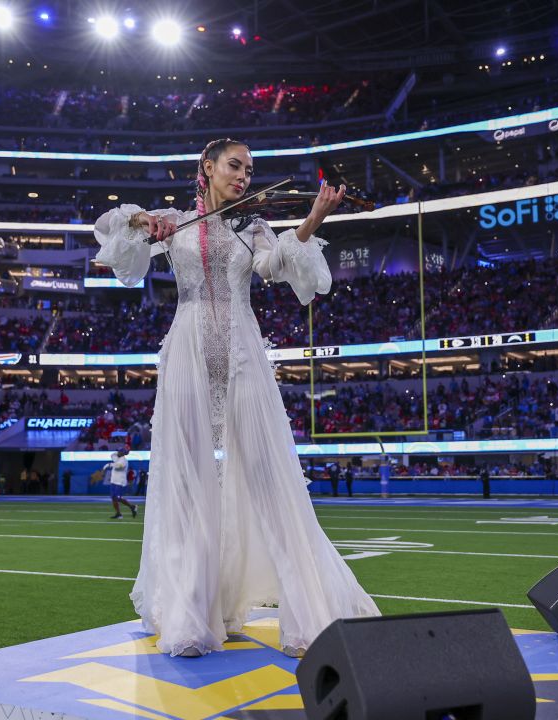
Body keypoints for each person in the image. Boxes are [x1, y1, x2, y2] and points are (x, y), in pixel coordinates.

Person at [93, 138, 379, 658]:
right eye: (234, 166)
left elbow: (278, 268)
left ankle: (311, 616)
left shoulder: (255, 229)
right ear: (207, 168)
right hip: (185, 356)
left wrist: (314, 217)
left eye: (249, 170)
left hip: (246, 357)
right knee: (185, 482)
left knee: (273, 478)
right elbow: (110, 232)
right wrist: (141, 224)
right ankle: (190, 616)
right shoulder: (172, 221)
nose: (244, 176)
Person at [101, 450, 138, 519]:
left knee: (118, 498)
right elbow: (112, 455)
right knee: (113, 498)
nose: (118, 453)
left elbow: (118, 466)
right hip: (113, 481)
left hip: (120, 482)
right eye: (118, 451)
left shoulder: (124, 461)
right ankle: (118, 514)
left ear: (122, 453)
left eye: (119, 452)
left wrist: (109, 465)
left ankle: (132, 506)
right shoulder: (117, 458)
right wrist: (118, 452)